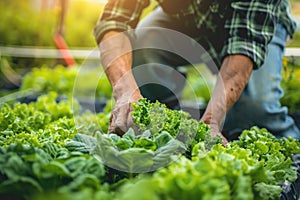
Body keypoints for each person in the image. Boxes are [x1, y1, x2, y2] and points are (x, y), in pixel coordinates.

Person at [94, 0, 300, 144]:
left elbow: (245, 43)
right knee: (144, 47)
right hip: (185, 16)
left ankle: (291, 148)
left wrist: (213, 119)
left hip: (258, 23)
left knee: (252, 110)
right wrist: (124, 90)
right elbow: (114, 19)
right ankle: (164, 124)